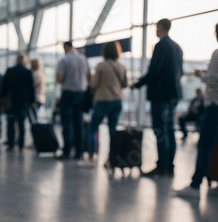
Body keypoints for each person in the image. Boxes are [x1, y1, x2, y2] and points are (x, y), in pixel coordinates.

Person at [131, 18, 183, 177]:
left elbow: (155, 71)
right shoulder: (177, 48)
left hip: (161, 95)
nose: (154, 30)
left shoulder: (161, 46)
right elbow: (179, 72)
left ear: (161, 27)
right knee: (169, 130)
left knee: (160, 130)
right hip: (174, 94)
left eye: (156, 27)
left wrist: (138, 84)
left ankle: (161, 167)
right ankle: (169, 166)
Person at [174, 23, 218, 198]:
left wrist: (202, 75)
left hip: (214, 106)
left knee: (205, 146)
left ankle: (195, 185)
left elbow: (213, 81)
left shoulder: (217, 54)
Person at [82, 41, 128, 165]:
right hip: (117, 101)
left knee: (92, 129)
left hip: (103, 100)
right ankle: (111, 158)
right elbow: (125, 84)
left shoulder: (101, 66)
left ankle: (91, 156)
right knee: (112, 132)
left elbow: (93, 84)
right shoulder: (122, 66)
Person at [56, 41, 91, 159]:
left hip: (68, 93)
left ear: (65, 48)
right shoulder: (83, 59)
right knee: (79, 123)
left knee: (67, 123)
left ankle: (67, 151)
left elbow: (60, 78)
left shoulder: (64, 60)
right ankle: (79, 152)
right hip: (81, 94)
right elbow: (89, 76)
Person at [0, 53, 35, 152]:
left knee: (10, 123)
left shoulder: (10, 71)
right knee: (21, 124)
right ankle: (21, 145)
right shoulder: (27, 72)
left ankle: (10, 144)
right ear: (25, 61)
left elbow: (4, 86)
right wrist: (32, 101)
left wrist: (1, 98)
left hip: (11, 102)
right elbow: (31, 88)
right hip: (23, 102)